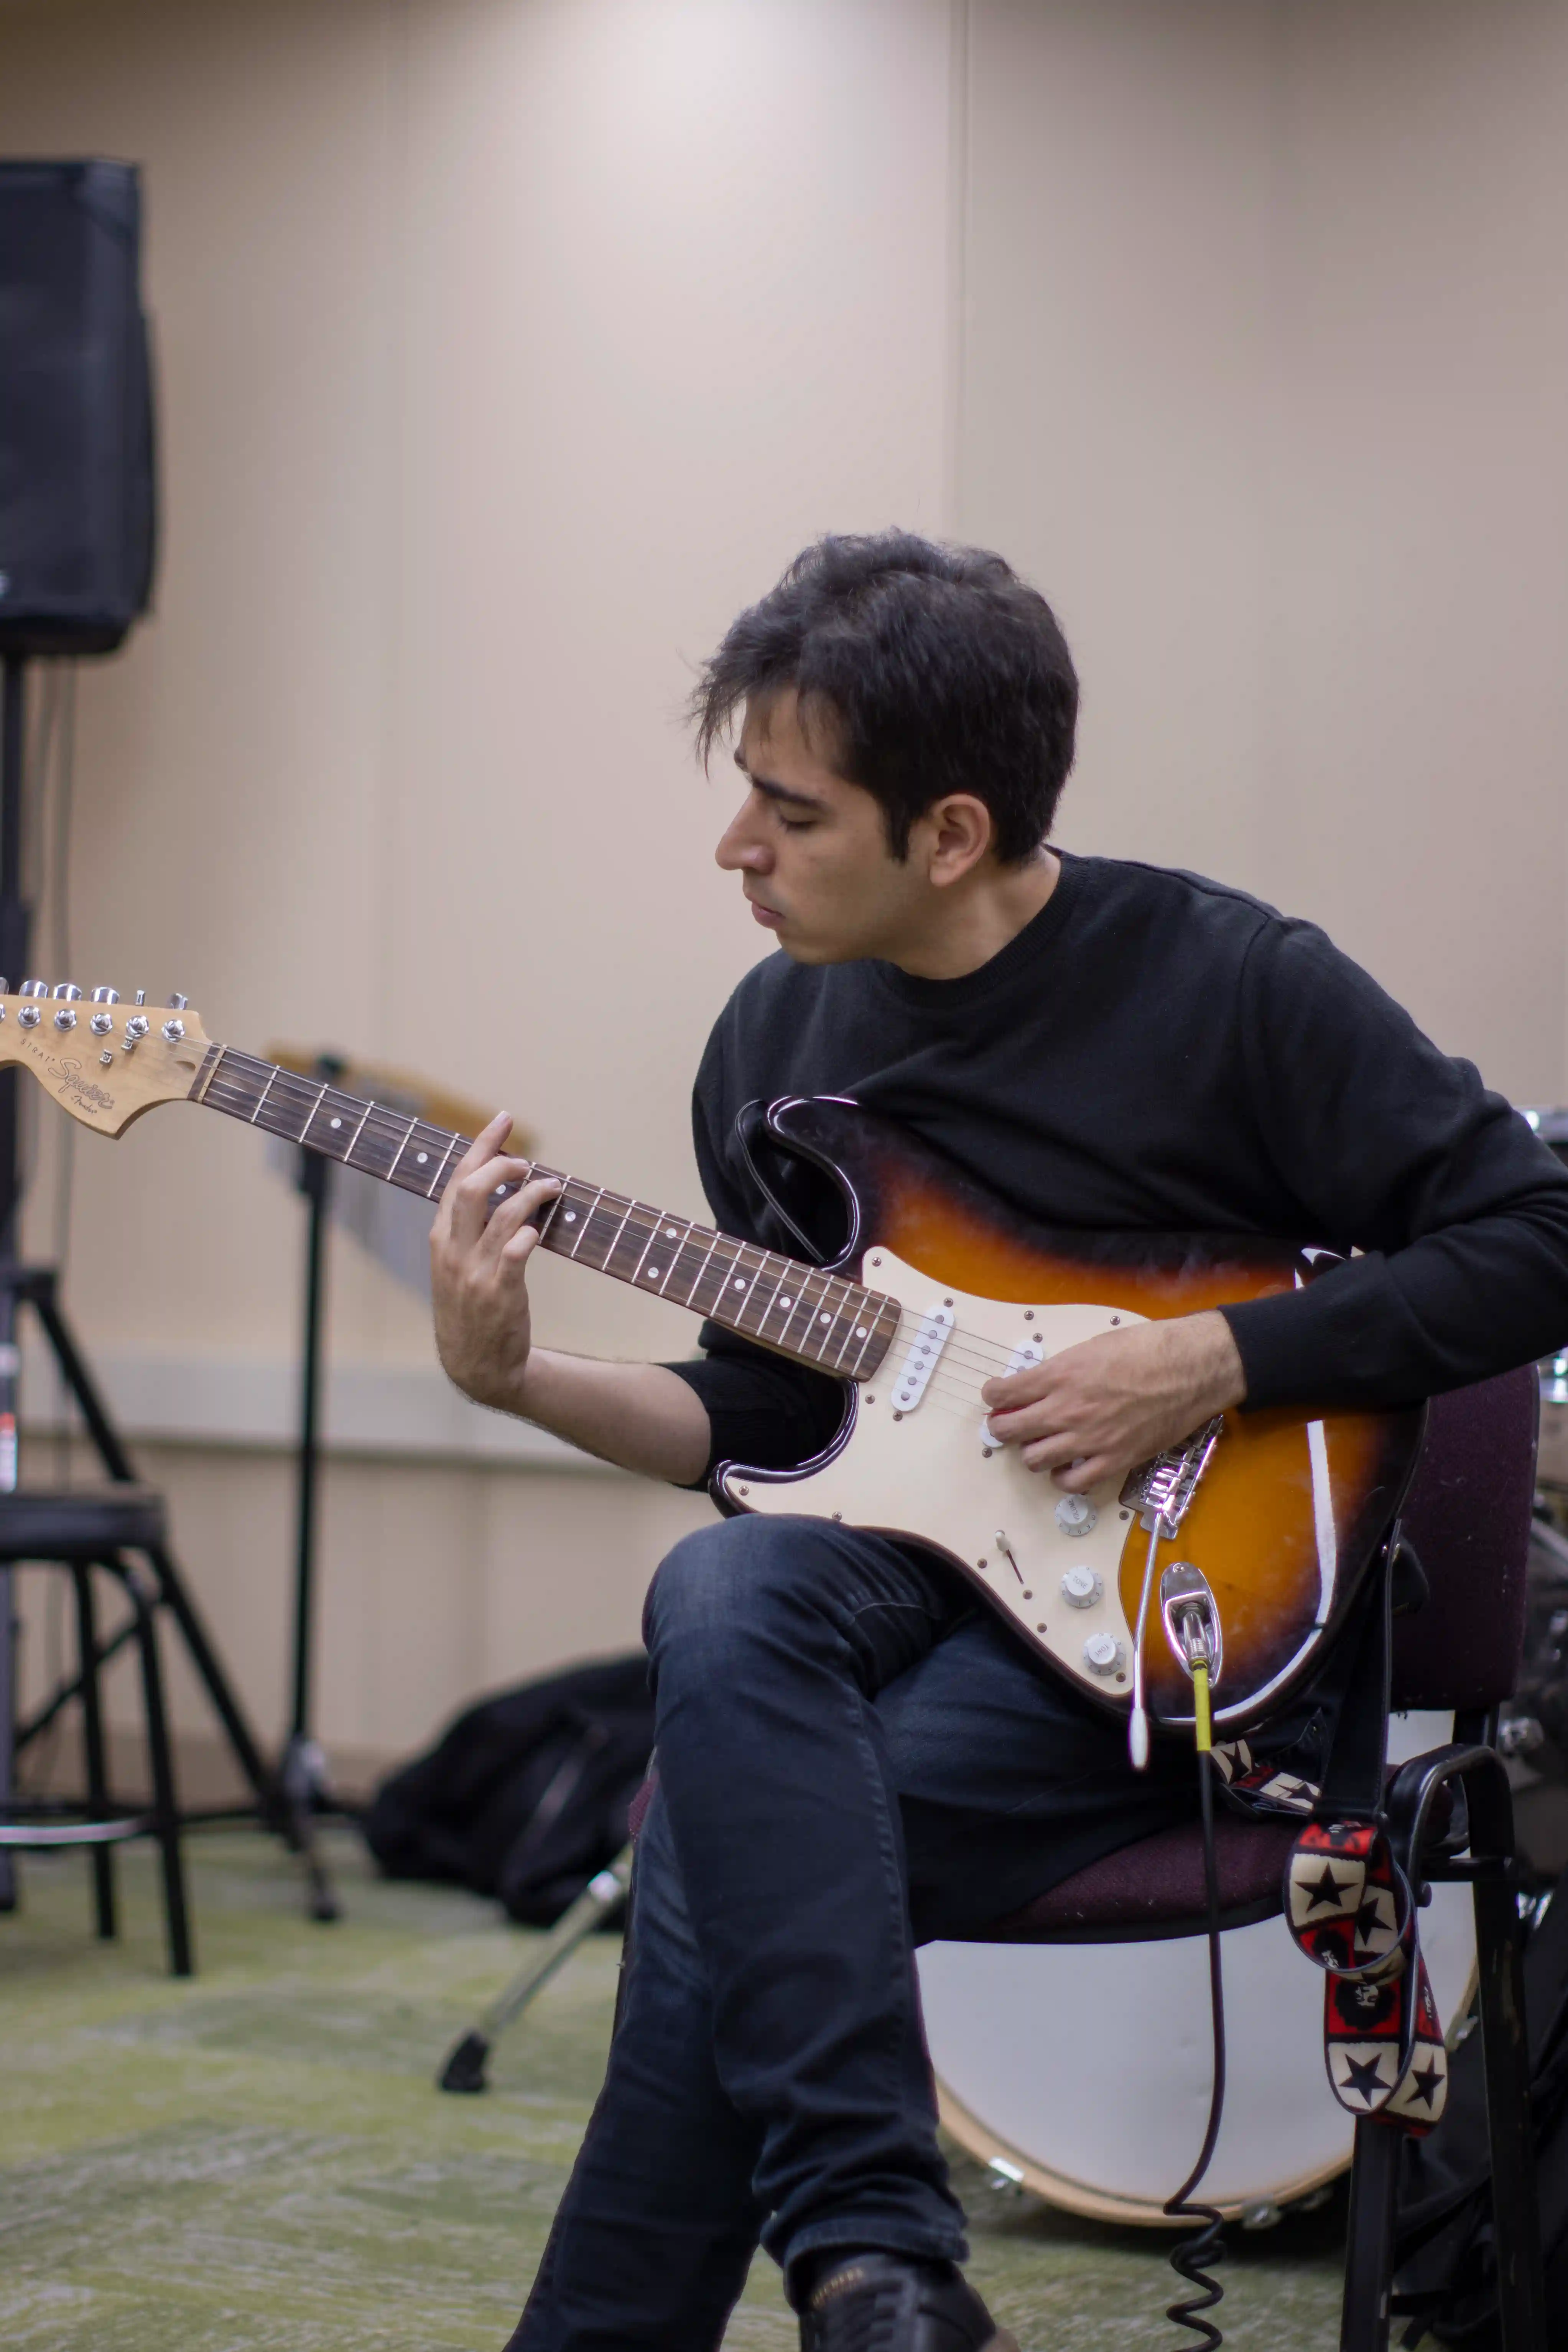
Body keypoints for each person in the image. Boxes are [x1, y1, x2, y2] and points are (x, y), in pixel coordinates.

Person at [430, 532, 1568, 2352]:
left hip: (1172, 1629)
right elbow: (766, 1418)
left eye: (788, 815)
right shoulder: (773, 1043)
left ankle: (857, 2274)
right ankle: (884, 2275)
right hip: (890, 1593)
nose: (738, 851)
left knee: (729, 1874)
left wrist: (1212, 1361)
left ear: (947, 833)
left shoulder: (1233, 984)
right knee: (728, 1578)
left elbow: (1535, 1234)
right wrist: (516, 1380)